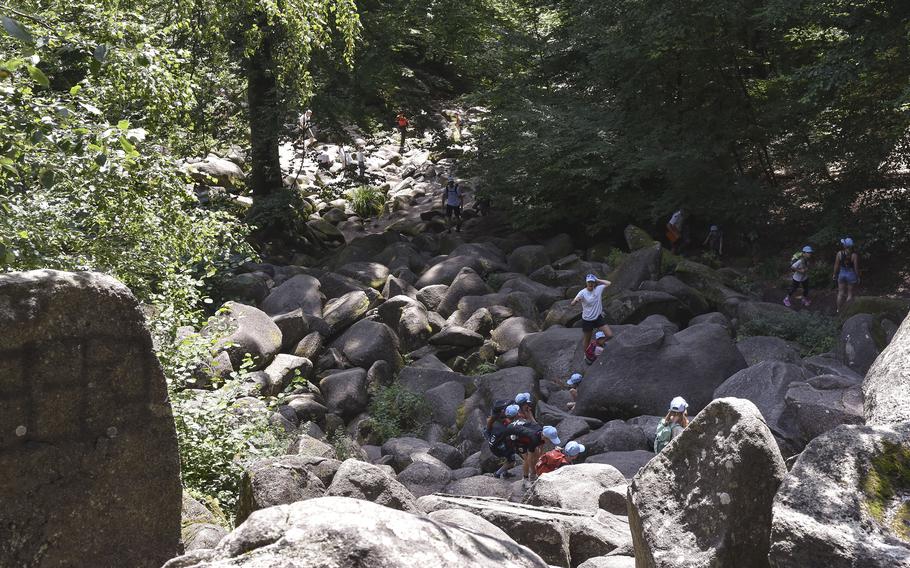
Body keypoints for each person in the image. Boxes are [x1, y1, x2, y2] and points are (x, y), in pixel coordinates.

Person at [505, 420, 560, 485]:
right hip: (514, 435)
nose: (550, 442)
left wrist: (540, 456)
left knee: (536, 454)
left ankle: (533, 473)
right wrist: (534, 472)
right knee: (526, 459)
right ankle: (525, 479)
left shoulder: (541, 431)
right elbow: (530, 459)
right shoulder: (534, 439)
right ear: (544, 437)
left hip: (521, 430)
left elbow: (541, 446)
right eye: (550, 439)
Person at [571, 274, 613, 349]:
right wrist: (576, 301)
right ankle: (586, 355)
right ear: (586, 283)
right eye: (589, 282)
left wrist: (598, 280)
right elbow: (572, 303)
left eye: (592, 282)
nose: (590, 284)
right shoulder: (582, 292)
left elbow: (609, 283)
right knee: (587, 340)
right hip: (587, 320)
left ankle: (600, 342)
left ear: (594, 283)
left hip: (597, 317)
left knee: (609, 335)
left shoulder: (598, 289)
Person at [487, 402, 519, 479]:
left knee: (508, 456)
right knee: (511, 461)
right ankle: (497, 474)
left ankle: (505, 473)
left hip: (493, 445)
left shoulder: (496, 421)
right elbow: (511, 440)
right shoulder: (507, 428)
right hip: (498, 448)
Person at [833, 237, 860, 313]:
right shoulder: (854, 255)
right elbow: (856, 268)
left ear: (844, 245)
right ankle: (847, 311)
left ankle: (838, 309)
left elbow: (836, 265)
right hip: (851, 274)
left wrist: (834, 274)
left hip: (841, 274)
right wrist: (857, 277)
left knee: (840, 293)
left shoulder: (839, 253)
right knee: (850, 294)